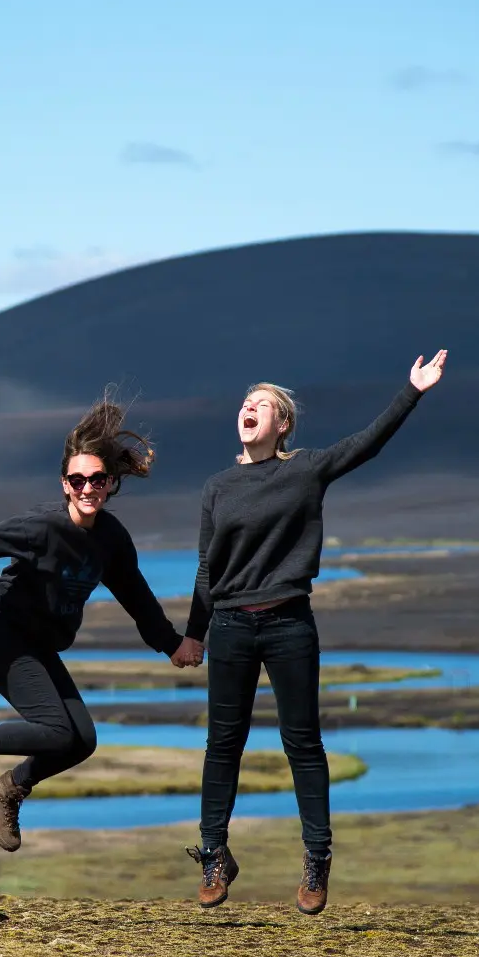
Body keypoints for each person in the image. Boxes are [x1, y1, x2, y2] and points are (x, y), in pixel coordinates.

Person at [177, 351, 448, 914]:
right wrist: (194, 634)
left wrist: (412, 391)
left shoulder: (306, 469)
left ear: (282, 426)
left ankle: (317, 859)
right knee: (222, 746)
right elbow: (207, 567)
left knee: (303, 743)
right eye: (245, 403)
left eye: (264, 406)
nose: (249, 408)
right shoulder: (218, 486)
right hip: (229, 626)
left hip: (288, 624)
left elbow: (367, 443)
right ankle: (213, 854)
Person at [0, 397, 201, 852]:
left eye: (96, 479)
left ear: (110, 483)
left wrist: (170, 644)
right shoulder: (43, 527)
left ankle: (5, 789)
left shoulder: (111, 539)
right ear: (65, 485)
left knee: (81, 740)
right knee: (56, 729)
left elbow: (137, 596)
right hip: (1, 636)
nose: (87, 488)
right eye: (77, 480)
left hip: (38, 644)